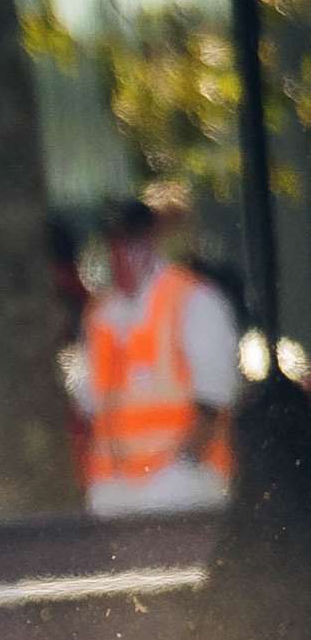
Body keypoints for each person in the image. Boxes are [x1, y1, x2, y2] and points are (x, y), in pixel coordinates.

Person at [79, 194, 240, 514]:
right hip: (115, 491)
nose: (124, 251)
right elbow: (90, 404)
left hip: (182, 486)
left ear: (153, 239)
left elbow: (215, 398)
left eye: (133, 238)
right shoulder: (100, 314)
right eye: (117, 240)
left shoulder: (194, 299)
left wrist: (183, 468)